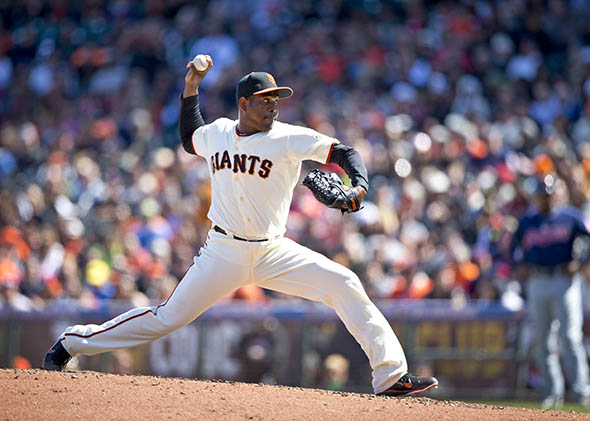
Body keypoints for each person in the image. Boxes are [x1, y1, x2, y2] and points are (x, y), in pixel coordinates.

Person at [42, 56, 438, 397]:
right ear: (243, 103)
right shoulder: (216, 133)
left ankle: (390, 376)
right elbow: (188, 137)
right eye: (265, 100)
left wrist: (360, 186)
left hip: (273, 251)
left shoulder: (287, 137)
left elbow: (344, 152)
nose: (274, 107)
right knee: (166, 318)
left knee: (345, 283)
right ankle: (72, 343)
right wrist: (190, 88)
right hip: (222, 251)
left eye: (277, 99)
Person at [510, 175, 590, 408]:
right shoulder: (527, 221)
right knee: (543, 340)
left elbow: (588, 241)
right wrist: (519, 265)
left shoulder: (571, 216)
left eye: (548, 194)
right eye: (541, 194)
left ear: (555, 194)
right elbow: (513, 246)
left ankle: (582, 390)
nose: (545, 198)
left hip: (563, 281)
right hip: (537, 280)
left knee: (570, 337)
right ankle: (552, 393)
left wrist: (581, 262)